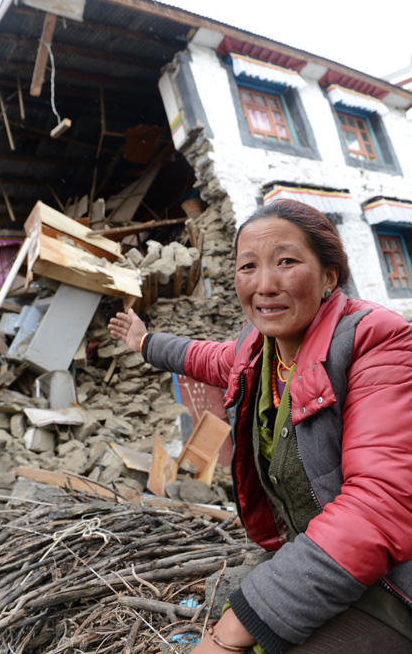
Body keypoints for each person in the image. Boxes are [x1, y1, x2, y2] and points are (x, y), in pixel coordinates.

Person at [108, 199, 412, 653]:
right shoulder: (259, 351)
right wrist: (144, 341)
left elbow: (379, 506)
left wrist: (230, 636)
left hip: (392, 581)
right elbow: (204, 357)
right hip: (322, 560)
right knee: (221, 601)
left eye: (286, 262)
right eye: (247, 266)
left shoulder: (376, 342)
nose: (265, 285)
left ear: (329, 276)